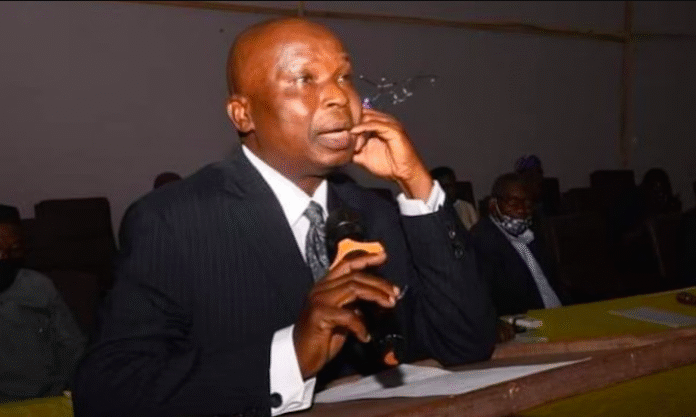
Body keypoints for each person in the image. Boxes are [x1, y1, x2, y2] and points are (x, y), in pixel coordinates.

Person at [74, 18, 496, 417]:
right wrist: (291, 356)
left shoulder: (376, 213)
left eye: (344, 76)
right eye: (304, 80)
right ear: (243, 114)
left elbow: (466, 343)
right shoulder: (174, 222)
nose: (338, 97)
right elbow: (107, 394)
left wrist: (416, 184)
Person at [0, 205, 86, 402]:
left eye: (13, 249)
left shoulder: (38, 286)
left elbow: (73, 346)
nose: (4, 257)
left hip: (48, 396)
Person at [469, 174, 571, 317]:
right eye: (513, 204)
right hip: (526, 321)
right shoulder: (481, 241)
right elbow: (487, 301)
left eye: (528, 205)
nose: (522, 210)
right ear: (493, 206)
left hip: (563, 314)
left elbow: (555, 282)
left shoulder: (536, 231)